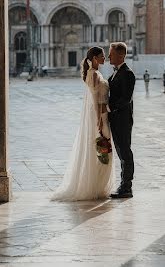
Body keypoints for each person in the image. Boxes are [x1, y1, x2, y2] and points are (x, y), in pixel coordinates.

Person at [52, 46, 114, 201]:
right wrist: (99, 120)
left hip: (102, 115)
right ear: (94, 58)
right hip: (100, 116)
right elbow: (95, 100)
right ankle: (97, 186)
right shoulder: (94, 74)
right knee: (104, 149)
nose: (104, 58)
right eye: (102, 56)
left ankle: (98, 185)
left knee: (102, 150)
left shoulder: (95, 73)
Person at [108, 42, 136, 198]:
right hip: (116, 119)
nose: (109, 56)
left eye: (111, 53)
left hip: (123, 119)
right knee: (121, 152)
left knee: (125, 152)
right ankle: (124, 185)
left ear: (120, 55)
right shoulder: (115, 73)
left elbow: (126, 98)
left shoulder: (128, 73)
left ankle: (126, 187)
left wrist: (109, 108)